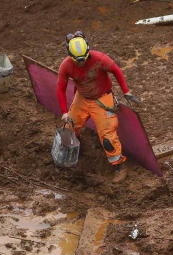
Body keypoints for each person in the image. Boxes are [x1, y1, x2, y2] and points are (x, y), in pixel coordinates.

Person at [56, 31, 140, 167]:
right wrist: (64, 112)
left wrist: (126, 91)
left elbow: (116, 70)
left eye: (84, 59)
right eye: (78, 61)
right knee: (69, 127)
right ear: (70, 56)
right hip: (82, 98)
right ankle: (75, 150)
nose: (82, 63)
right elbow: (60, 88)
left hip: (103, 99)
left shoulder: (100, 59)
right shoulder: (66, 66)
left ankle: (118, 166)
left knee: (108, 138)